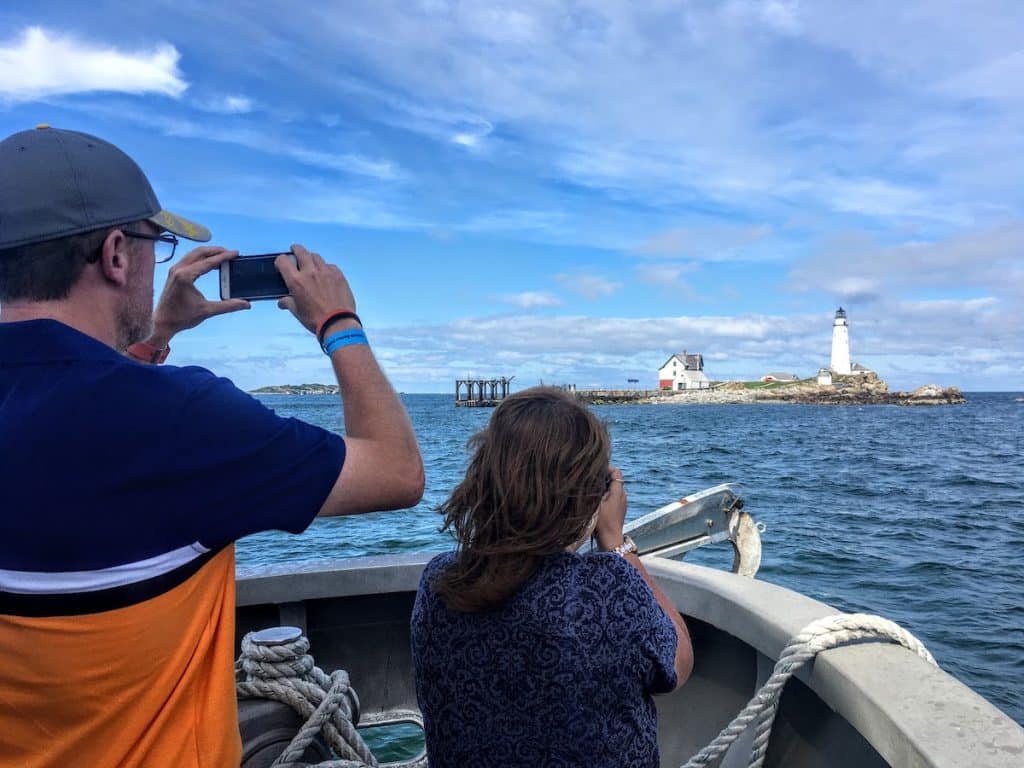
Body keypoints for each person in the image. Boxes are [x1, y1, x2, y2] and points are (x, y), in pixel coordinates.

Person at [0, 125, 424, 767]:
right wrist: (339, 324)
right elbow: (396, 471)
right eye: (156, 244)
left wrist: (155, 333)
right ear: (117, 254)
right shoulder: (183, 420)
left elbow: (59, 412)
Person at [410, 386, 693, 768]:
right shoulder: (607, 588)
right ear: (588, 495)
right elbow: (677, 663)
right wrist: (615, 542)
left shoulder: (438, 582)